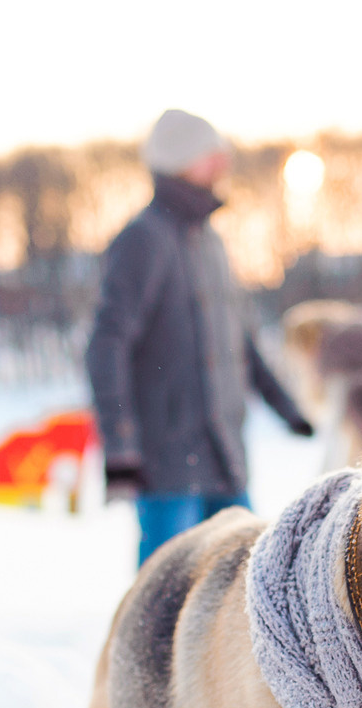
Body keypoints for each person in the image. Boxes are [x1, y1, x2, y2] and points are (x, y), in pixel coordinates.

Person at [86, 109, 314, 566]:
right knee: (166, 587)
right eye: (209, 156)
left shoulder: (211, 242)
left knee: (242, 579)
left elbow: (241, 345)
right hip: (167, 460)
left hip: (224, 455)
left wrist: (288, 410)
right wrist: (121, 446)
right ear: (178, 161)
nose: (221, 164)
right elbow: (106, 346)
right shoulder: (143, 240)